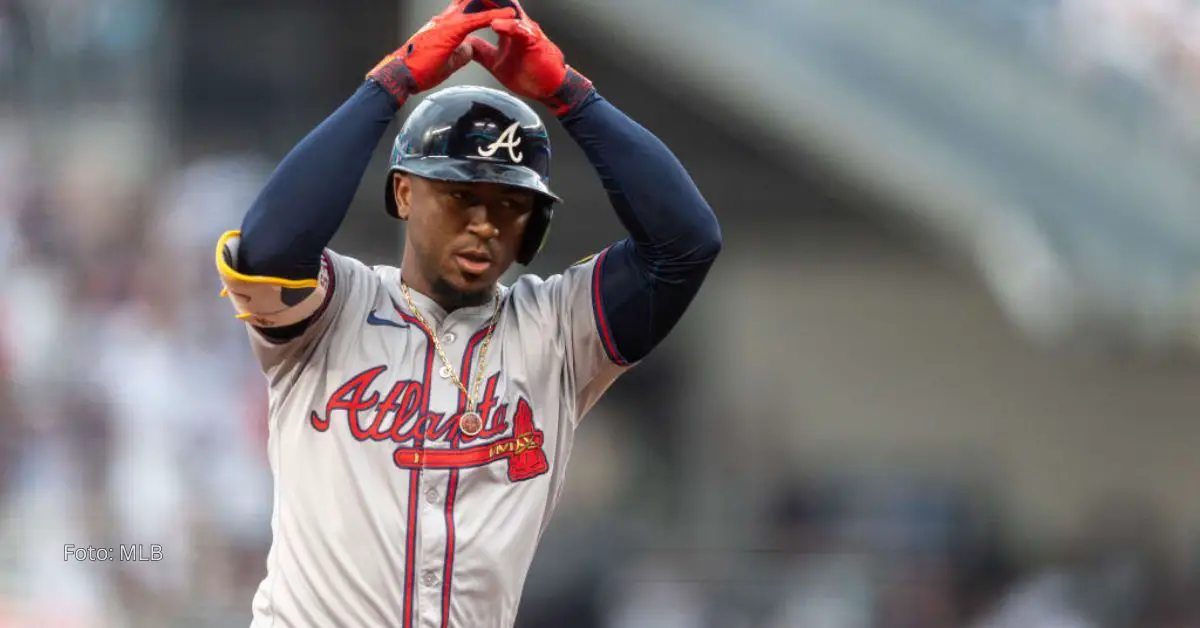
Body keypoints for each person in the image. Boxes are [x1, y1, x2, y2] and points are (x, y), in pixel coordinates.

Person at [214, 0, 722, 626]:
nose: (484, 223)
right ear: (404, 191)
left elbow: (687, 243)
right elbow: (267, 247)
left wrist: (572, 96)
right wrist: (389, 86)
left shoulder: (559, 330)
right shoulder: (334, 307)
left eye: (510, 203)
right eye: (460, 194)